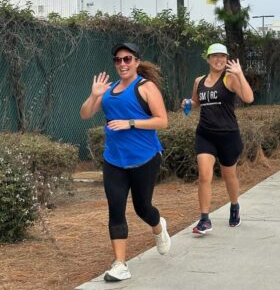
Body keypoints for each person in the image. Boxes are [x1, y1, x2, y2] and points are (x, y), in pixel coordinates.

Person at [80, 42, 171, 281]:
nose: (122, 64)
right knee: (116, 209)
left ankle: (158, 226)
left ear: (137, 62)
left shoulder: (146, 87)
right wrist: (94, 95)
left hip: (145, 158)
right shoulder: (108, 91)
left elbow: (162, 121)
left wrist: (130, 122)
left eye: (127, 59)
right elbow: (85, 114)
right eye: (118, 60)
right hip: (114, 161)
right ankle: (120, 264)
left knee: (143, 208)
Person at [181, 43, 254, 235]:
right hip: (205, 134)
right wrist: (189, 103)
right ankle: (205, 219)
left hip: (228, 135)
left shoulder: (230, 78)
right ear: (208, 59)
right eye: (215, 56)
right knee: (204, 176)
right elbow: (197, 101)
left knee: (229, 175)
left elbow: (248, 98)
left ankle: (234, 206)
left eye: (223, 56)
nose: (219, 59)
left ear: (227, 59)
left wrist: (239, 74)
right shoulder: (199, 81)